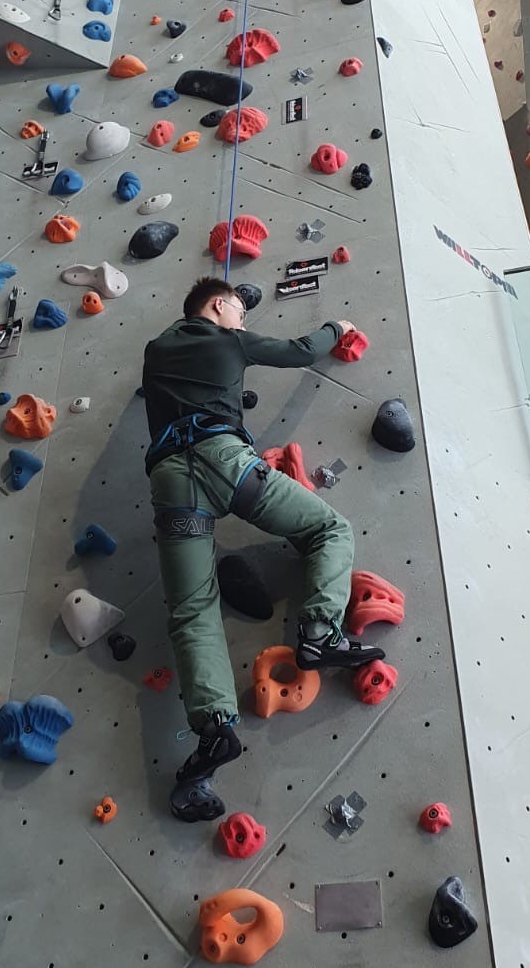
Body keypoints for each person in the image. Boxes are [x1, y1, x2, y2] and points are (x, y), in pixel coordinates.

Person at [143, 276, 385, 822]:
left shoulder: (155, 351)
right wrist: (337, 327)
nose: (243, 320)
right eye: (239, 310)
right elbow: (298, 351)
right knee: (331, 530)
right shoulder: (228, 339)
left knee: (192, 610)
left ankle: (214, 729)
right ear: (219, 304)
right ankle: (319, 633)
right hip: (227, 463)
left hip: (171, 482)